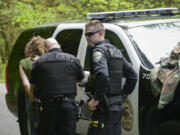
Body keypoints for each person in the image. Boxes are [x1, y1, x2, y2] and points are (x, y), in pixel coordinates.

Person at [85, 20, 138, 135]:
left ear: (100, 33)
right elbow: (132, 75)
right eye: (86, 34)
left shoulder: (98, 51)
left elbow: (103, 75)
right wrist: (122, 96)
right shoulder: (115, 50)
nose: (87, 37)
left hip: (104, 109)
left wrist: (96, 99)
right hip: (116, 108)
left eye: (90, 34)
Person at [29, 38, 85, 135]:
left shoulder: (38, 62)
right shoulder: (73, 59)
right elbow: (81, 78)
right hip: (67, 107)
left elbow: (33, 85)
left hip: (48, 107)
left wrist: (33, 101)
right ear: (59, 46)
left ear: (46, 49)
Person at [19, 36, 47, 135]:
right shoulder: (46, 60)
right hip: (47, 98)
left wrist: (33, 98)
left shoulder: (23, 63)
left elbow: (26, 84)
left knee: (33, 125)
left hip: (31, 99)